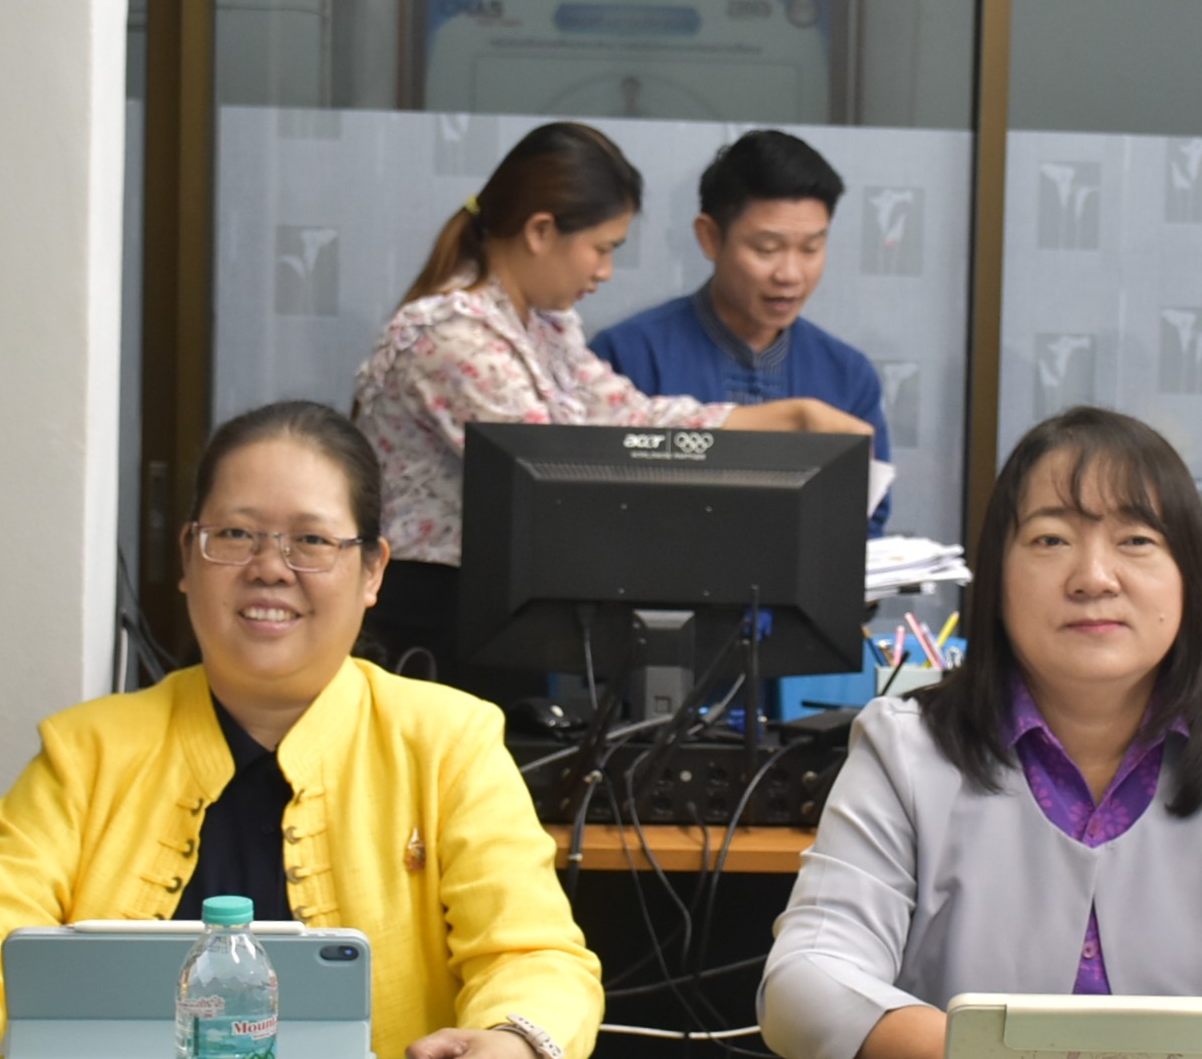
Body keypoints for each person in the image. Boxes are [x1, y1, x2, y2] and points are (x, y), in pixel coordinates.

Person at [0, 402, 604, 1059]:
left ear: (374, 569)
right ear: (188, 559)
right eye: (235, 535)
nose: (269, 567)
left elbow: (532, 952)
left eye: (311, 541)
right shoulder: (90, 751)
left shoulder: (447, 741)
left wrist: (518, 1050)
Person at [759, 406, 1202, 1059]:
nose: (1093, 577)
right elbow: (808, 977)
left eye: (1136, 540)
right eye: (1050, 539)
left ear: (1188, 577)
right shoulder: (906, 749)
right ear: (997, 579)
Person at [350, 121, 869, 689]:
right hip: (434, 623)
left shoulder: (543, 327)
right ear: (540, 231)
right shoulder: (456, 338)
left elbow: (632, 419)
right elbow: (558, 485)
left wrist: (791, 419)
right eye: (602, 248)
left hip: (494, 620)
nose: (605, 271)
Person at [589, 130, 893, 534]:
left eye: (810, 249)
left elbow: (867, 523)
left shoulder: (848, 375)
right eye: (767, 248)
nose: (790, 274)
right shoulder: (627, 356)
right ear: (710, 237)